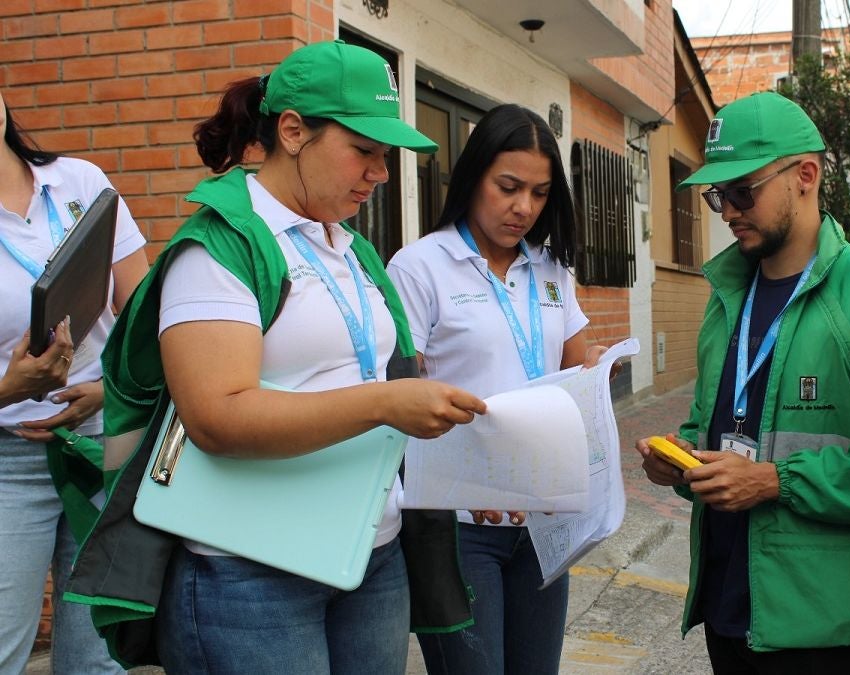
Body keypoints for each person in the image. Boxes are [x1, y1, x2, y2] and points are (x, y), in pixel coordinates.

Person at [87, 41, 488, 673]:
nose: (380, 173)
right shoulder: (219, 247)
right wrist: (384, 403)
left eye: (385, 156)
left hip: (366, 552)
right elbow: (217, 418)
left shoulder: (351, 249)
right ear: (293, 130)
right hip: (249, 569)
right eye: (365, 151)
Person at [634, 91, 850, 674]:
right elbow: (712, 428)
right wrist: (679, 463)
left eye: (742, 192)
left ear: (806, 174)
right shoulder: (726, 298)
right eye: (716, 196)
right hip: (729, 611)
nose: (727, 211)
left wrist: (774, 481)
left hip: (827, 631)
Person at [387, 103, 603, 674]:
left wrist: (599, 370)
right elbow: (396, 397)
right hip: (461, 525)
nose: (523, 208)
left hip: (541, 520)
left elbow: (575, 373)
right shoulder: (420, 267)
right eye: (508, 187)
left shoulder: (551, 270)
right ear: (473, 175)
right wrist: (466, 474)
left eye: (539, 192)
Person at [0, 88, 149, 675]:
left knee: (99, 658)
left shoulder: (79, 182)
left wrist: (116, 391)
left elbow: (143, 311)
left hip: (104, 444)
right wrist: (13, 387)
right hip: (9, 457)